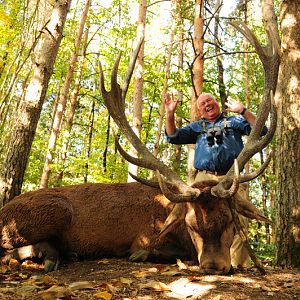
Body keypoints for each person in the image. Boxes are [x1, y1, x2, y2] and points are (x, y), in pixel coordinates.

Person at [164, 92, 267, 268]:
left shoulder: (234, 121)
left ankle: (238, 265)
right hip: (204, 178)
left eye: (209, 100)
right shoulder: (196, 127)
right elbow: (172, 136)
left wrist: (242, 110)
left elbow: (261, 130)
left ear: (216, 102)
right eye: (202, 103)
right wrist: (170, 114)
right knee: (202, 220)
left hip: (231, 177)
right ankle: (208, 261)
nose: (206, 104)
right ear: (199, 110)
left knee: (238, 219)